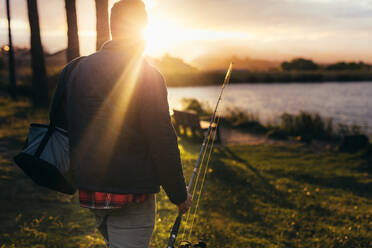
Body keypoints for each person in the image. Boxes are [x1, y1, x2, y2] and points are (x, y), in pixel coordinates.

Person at [52, 0, 192, 247]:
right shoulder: (147, 74)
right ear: (143, 28)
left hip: (91, 191)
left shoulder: (75, 69)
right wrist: (179, 195)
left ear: (112, 27)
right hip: (131, 195)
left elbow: (60, 125)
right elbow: (162, 139)